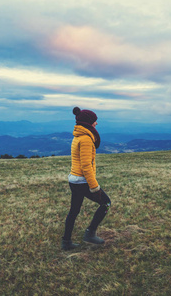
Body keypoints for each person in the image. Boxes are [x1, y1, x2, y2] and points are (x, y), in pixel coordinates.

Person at [61, 107, 112, 251]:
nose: (96, 123)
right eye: (94, 121)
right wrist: (94, 187)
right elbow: (86, 166)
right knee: (106, 203)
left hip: (74, 180)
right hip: (82, 181)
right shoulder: (86, 139)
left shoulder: (78, 136)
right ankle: (90, 233)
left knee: (74, 211)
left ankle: (66, 242)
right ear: (89, 122)